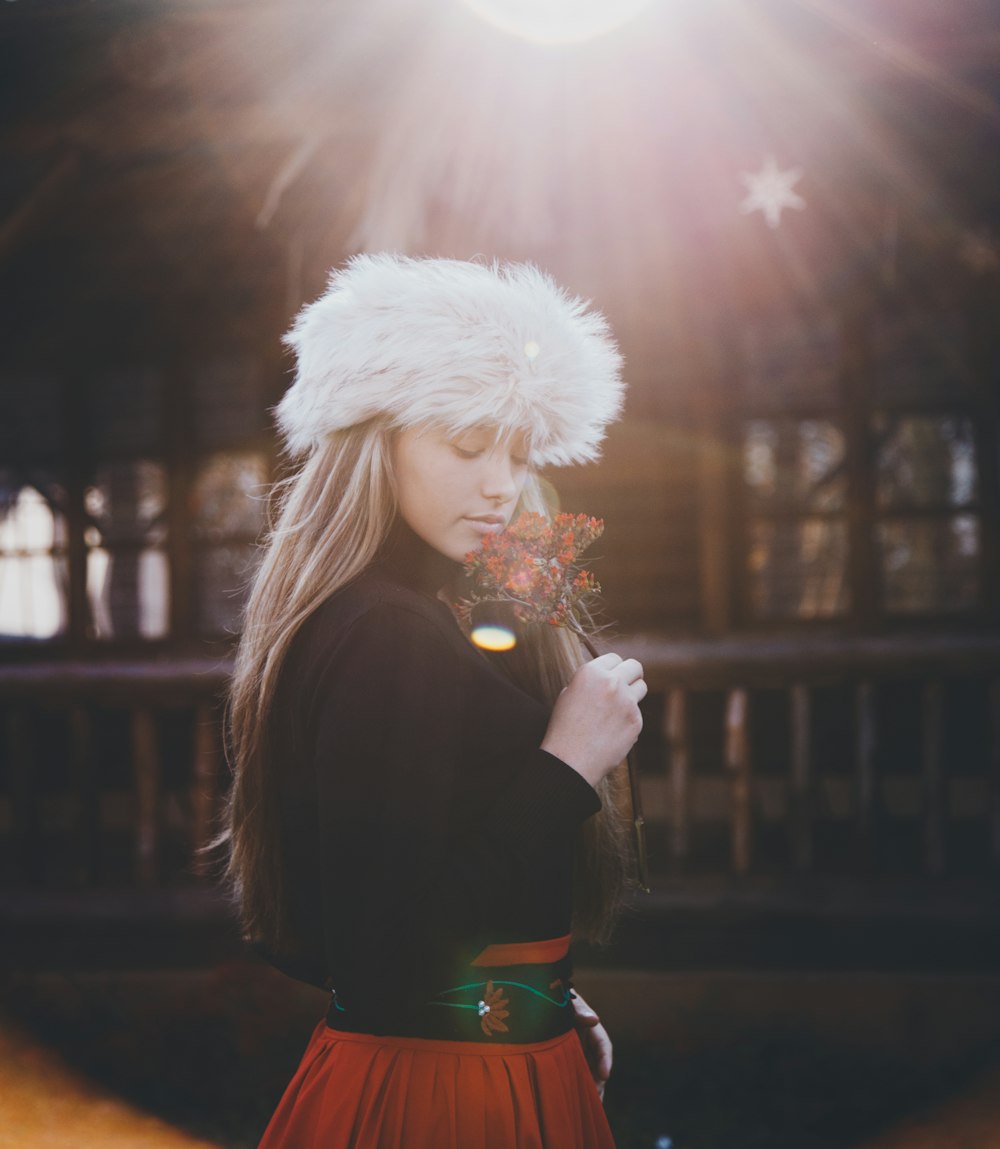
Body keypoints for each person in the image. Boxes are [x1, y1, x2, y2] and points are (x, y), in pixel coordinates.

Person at [223, 254, 647, 1149]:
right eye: (465, 445)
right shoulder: (387, 634)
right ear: (376, 441)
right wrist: (568, 764)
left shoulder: (414, 616)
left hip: (482, 1069)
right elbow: (383, 949)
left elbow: (415, 885)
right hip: (442, 1101)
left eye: (519, 451)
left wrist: (532, 999)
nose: (500, 483)